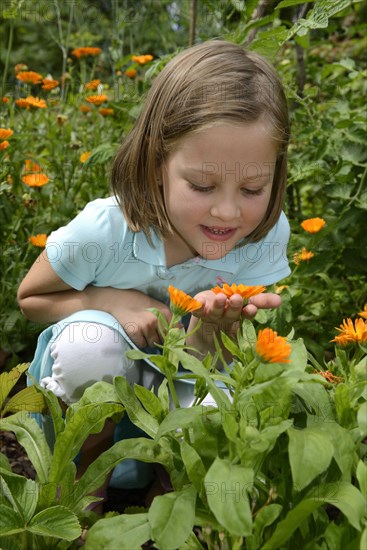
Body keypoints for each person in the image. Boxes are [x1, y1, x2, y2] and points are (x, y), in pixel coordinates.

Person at [17, 40, 291, 495]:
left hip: (184, 375)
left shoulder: (263, 235)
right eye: (202, 185)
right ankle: (84, 483)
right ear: (156, 163)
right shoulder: (106, 230)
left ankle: (172, 491)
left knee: (234, 396)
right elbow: (30, 299)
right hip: (101, 375)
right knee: (90, 350)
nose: (227, 213)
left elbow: (213, 358)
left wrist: (212, 328)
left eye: (252, 188)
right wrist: (109, 301)